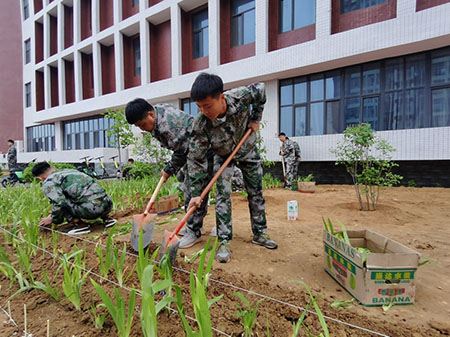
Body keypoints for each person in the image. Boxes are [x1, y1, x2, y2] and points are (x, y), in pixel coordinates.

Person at [187, 73, 278, 263]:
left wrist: (256, 118)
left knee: (255, 191)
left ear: (221, 98)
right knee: (222, 195)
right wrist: (196, 192)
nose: (204, 111)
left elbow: (261, 90)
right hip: (222, 156)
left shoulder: (241, 96)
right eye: (199, 107)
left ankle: (260, 233)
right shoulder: (201, 124)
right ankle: (224, 240)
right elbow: (196, 160)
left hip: (247, 148)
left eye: (208, 105)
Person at [125, 98, 213, 248]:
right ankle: (194, 225)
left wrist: (169, 169)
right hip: (191, 150)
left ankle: (194, 231)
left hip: (205, 150)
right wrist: (169, 169)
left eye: (142, 125)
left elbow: (181, 152)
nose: (142, 129)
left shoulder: (169, 126)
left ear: (150, 114)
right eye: (138, 127)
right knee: (188, 186)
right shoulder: (157, 117)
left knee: (195, 189)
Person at [32, 162, 117, 235]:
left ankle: (80, 225)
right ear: (54, 168)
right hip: (108, 204)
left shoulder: (49, 182)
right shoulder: (70, 171)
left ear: (40, 178)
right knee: (89, 193)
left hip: (92, 210)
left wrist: (53, 218)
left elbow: (60, 203)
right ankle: (107, 219)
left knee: (62, 202)